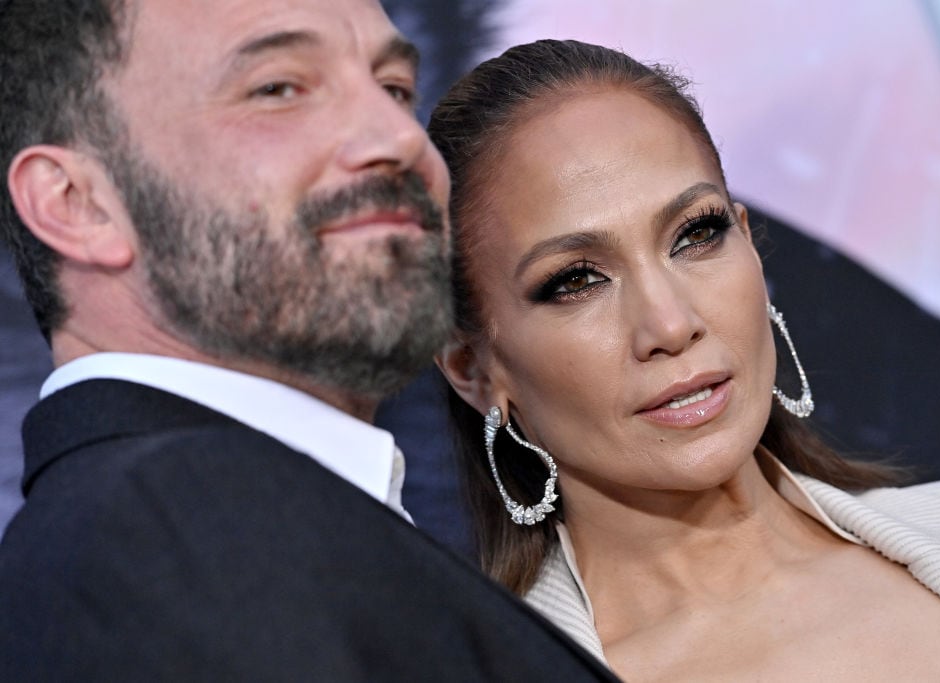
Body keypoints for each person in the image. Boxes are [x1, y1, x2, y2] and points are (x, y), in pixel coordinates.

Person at [0, 3, 621, 680]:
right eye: (278, 88)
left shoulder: (201, 536)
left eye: (396, 89)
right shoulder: (170, 535)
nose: (401, 138)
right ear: (77, 203)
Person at [429, 39, 940, 681]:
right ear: (472, 368)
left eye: (696, 234)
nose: (670, 324)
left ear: (751, 245)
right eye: (576, 280)